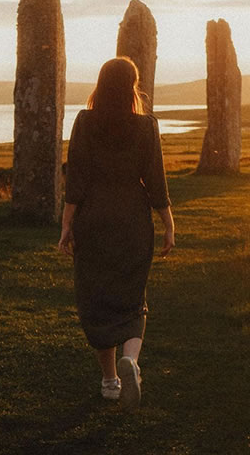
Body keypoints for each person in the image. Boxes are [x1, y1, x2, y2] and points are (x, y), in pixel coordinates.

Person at [58, 56, 175, 409]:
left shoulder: (84, 121)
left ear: (100, 83)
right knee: (132, 295)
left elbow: (75, 179)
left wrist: (66, 224)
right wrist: (168, 223)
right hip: (133, 220)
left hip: (93, 218)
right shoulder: (146, 126)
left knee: (95, 298)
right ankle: (132, 362)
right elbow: (156, 181)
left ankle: (110, 380)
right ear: (132, 87)